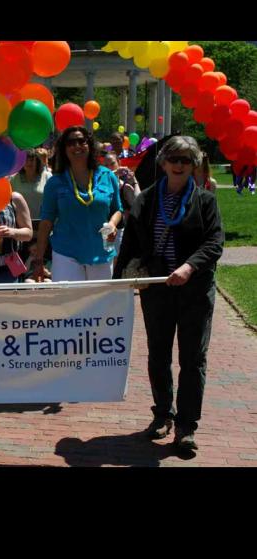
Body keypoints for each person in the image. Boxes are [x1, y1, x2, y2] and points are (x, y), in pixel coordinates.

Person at [113, 136, 224, 451]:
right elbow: (131, 243)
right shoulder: (146, 200)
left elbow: (214, 242)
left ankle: (187, 426)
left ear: (194, 165)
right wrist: (118, 282)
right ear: (163, 163)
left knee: (193, 359)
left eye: (186, 160)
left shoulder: (205, 201)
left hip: (195, 291)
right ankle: (163, 414)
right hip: (158, 290)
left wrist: (189, 267)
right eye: (173, 158)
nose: (179, 165)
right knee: (158, 355)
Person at [33, 126, 122, 282]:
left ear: (90, 145)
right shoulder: (55, 182)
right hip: (66, 254)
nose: (77, 146)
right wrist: (39, 261)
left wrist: (113, 224)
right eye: (71, 143)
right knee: (69, 298)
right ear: (64, 149)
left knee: (99, 298)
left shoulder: (108, 176)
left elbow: (118, 209)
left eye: (81, 141)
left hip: (101, 252)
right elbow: (46, 222)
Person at [103, 151, 140, 255]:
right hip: (104, 227)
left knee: (117, 259)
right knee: (105, 258)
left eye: (112, 164)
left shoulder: (125, 187)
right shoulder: (101, 185)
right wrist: (114, 173)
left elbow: (138, 202)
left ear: (119, 163)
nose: (109, 167)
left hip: (120, 230)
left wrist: (134, 180)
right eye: (106, 165)